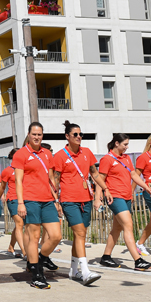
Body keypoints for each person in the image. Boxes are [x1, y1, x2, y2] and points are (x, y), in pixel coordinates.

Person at [52, 120, 106, 286]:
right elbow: (55, 180)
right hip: (69, 199)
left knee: (80, 236)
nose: (78, 137)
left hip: (86, 198)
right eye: (75, 134)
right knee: (80, 233)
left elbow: (95, 174)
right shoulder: (60, 156)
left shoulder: (87, 152)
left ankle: (74, 270)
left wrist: (105, 189)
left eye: (80, 134)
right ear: (67, 136)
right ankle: (85, 271)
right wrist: (56, 200)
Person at [99, 133, 151, 271]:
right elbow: (99, 179)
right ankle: (138, 260)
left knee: (117, 228)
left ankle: (106, 257)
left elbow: (133, 174)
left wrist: (145, 186)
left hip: (126, 196)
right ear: (116, 143)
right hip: (115, 196)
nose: (127, 147)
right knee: (128, 225)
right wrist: (98, 198)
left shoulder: (127, 158)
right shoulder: (107, 159)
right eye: (125, 144)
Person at [13, 122, 59, 289]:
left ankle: (39, 259)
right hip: (30, 199)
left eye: (39, 134)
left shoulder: (47, 154)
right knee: (34, 236)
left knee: (56, 235)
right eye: (34, 134)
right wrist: (20, 203)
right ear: (29, 134)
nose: (37, 137)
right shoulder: (21, 154)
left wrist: (56, 199)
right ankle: (36, 275)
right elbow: (18, 180)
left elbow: (51, 179)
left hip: (47, 200)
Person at [2, 150, 24, 259]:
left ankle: (11, 247)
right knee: (19, 223)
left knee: (20, 225)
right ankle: (25, 252)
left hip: (25, 199)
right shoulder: (7, 171)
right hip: (13, 199)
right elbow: (2, 186)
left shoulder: (25, 169)